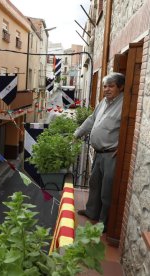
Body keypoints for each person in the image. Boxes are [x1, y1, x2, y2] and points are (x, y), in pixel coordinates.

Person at [74, 72, 125, 232]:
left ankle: (104, 222)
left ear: (120, 87)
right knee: (95, 184)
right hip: (98, 152)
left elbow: (129, 126)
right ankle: (91, 212)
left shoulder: (125, 103)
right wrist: (77, 133)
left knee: (107, 190)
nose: (106, 89)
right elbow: (91, 119)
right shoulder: (103, 102)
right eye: (105, 86)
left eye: (111, 86)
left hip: (111, 154)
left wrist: (123, 146)